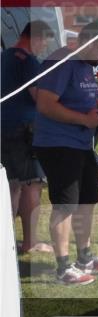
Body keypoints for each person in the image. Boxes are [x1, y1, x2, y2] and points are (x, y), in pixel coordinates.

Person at [33, 20, 98, 285]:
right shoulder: (62, 61)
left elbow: (85, 96)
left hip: (80, 145)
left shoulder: (85, 64)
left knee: (87, 200)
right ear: (88, 42)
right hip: (58, 144)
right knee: (65, 205)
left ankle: (85, 257)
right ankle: (63, 268)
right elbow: (45, 104)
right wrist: (84, 121)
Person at [1, 20, 55, 254]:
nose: (43, 48)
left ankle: (7, 241)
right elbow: (39, 98)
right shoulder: (29, 61)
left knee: (11, 184)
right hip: (24, 129)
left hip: (4, 127)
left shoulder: (4, 57)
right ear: (36, 37)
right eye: (44, 43)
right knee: (31, 185)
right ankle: (29, 242)